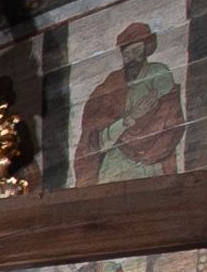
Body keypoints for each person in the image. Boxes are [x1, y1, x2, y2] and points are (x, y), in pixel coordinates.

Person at [75, 20, 184, 181]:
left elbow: (171, 124)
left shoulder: (160, 76)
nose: (132, 59)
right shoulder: (111, 86)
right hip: (115, 166)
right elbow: (95, 140)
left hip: (151, 166)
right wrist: (130, 118)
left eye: (137, 52)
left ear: (146, 50)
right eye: (127, 55)